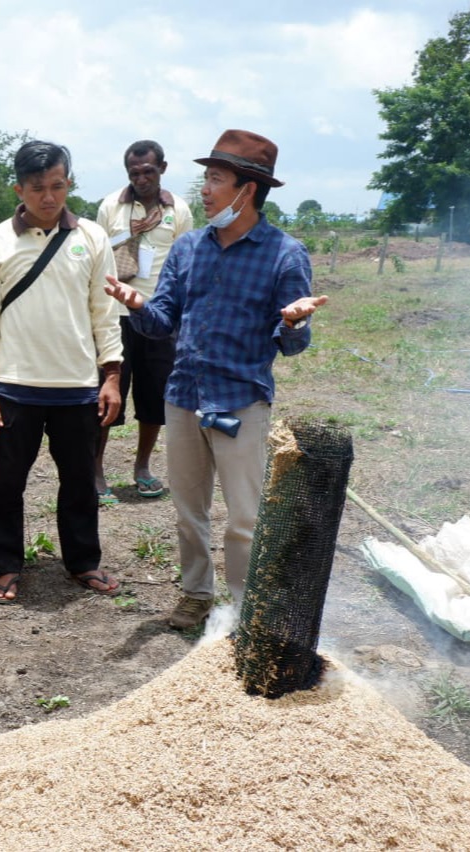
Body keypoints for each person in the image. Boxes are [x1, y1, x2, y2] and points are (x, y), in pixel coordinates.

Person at [104, 129, 327, 629]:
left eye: (215, 180)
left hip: (241, 404)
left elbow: (291, 344)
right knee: (189, 510)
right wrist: (138, 304)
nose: (203, 190)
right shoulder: (187, 249)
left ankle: (244, 609)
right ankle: (195, 594)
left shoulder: (284, 255)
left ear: (247, 189)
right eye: (205, 179)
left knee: (245, 517)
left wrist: (293, 322)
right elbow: (163, 320)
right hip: (183, 398)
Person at [0, 140, 124, 604]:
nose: (49, 197)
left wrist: (111, 376)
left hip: (77, 387)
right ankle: (6, 566)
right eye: (38, 188)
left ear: (69, 183)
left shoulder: (92, 239)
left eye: (57, 186)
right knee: (6, 483)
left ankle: (83, 562)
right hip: (13, 388)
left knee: (80, 481)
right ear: (19, 188)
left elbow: (104, 313)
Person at [94, 139, 193, 502]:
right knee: (108, 395)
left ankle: (142, 467)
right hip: (115, 316)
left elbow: (185, 265)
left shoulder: (179, 211)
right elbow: (97, 258)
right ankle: (97, 470)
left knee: (154, 398)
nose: (141, 179)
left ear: (162, 169)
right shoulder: (110, 207)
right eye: (134, 173)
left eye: (148, 171)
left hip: (159, 318)